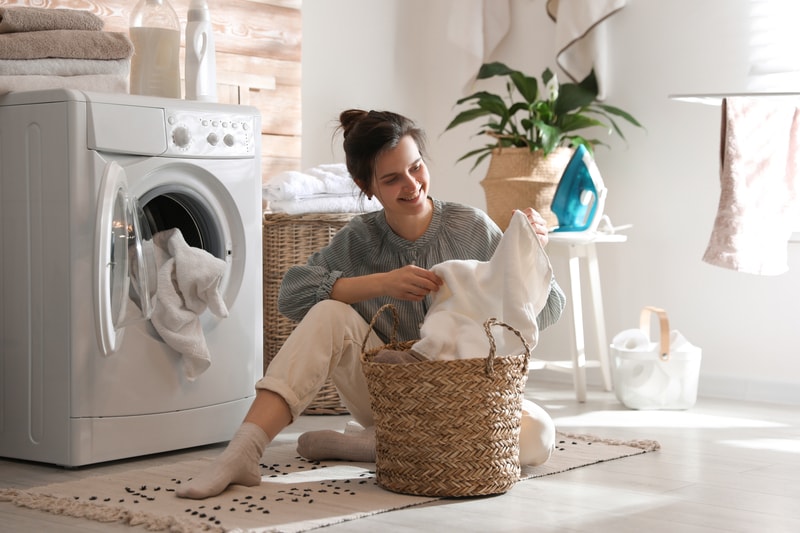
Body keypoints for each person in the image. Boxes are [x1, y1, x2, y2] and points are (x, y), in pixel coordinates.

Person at [176, 109, 566, 500]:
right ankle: (242, 452)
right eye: (392, 178)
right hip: (388, 400)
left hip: (463, 403)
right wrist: (380, 284)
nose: (412, 185)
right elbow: (291, 296)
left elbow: (547, 310)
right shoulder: (358, 240)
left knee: (539, 439)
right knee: (329, 312)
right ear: (367, 187)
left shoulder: (471, 227)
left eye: (416, 168)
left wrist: (529, 256)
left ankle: (368, 446)